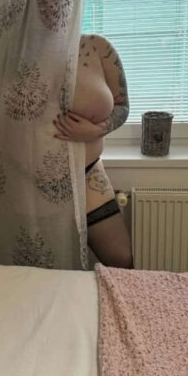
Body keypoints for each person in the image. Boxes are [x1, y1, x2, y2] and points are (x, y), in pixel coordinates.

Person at [53, 33, 133, 268]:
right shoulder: (22, 50)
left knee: (121, 259)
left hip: (88, 174)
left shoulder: (96, 46)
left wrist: (95, 131)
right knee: (45, 272)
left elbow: (123, 106)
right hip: (33, 184)